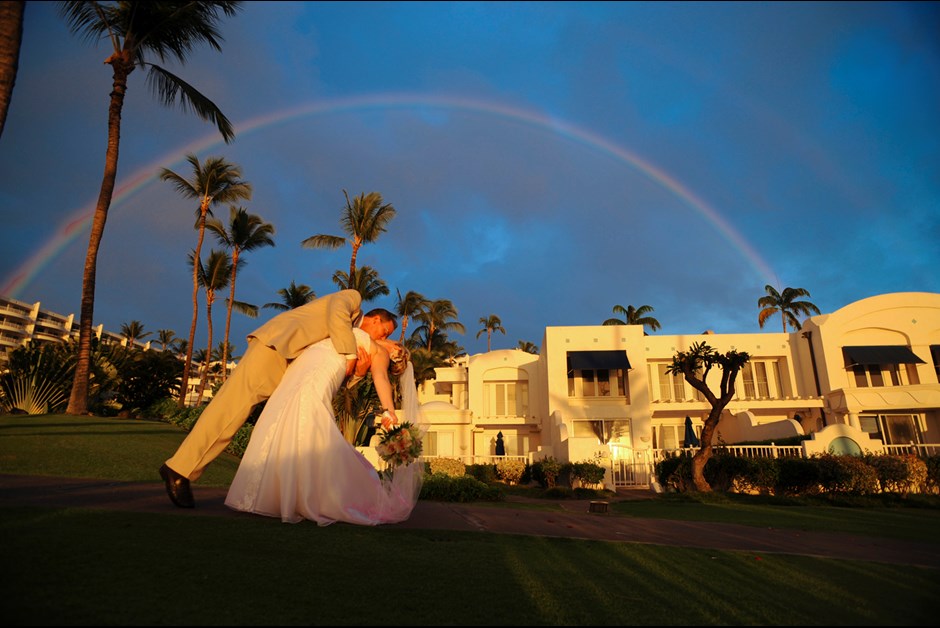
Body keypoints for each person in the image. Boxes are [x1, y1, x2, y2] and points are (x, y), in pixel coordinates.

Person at [159, 289, 397, 509]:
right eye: (384, 332)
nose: (380, 337)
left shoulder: (350, 338)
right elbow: (336, 315)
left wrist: (357, 371)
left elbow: (332, 368)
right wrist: (351, 356)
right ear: (376, 319)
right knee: (230, 412)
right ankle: (179, 469)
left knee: (253, 422)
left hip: (290, 372)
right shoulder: (351, 299)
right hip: (274, 350)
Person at [224, 327, 425, 525]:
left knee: (306, 431)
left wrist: (389, 410)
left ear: (394, 351)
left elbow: (380, 378)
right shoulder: (357, 334)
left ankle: (296, 497)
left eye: (391, 340)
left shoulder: (379, 352)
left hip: (312, 378)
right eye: (386, 334)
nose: (386, 338)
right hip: (307, 372)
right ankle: (289, 496)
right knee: (299, 432)